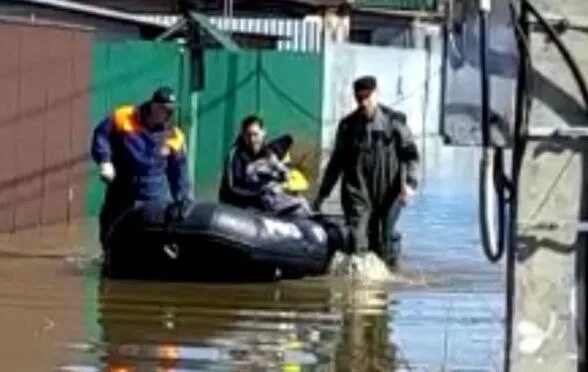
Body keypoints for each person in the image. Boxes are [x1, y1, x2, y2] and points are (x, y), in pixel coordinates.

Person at [312, 76, 419, 266]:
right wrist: (322, 194)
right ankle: (359, 287)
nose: (363, 103)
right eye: (359, 98)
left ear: (376, 94)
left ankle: (386, 282)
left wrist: (410, 185)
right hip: (357, 192)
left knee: (383, 240)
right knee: (357, 238)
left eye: (367, 97)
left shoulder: (394, 122)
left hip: (389, 192)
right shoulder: (347, 126)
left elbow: (411, 154)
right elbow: (336, 163)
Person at [91, 86, 193, 247]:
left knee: (147, 245)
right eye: (166, 110)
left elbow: (179, 173)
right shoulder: (124, 116)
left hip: (152, 198)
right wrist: (105, 160)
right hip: (121, 193)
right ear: (154, 106)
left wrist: (184, 200)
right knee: (111, 239)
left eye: (172, 110)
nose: (169, 114)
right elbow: (102, 134)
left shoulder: (174, 136)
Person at [218, 115, 311, 217]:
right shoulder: (235, 155)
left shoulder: (268, 153)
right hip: (240, 206)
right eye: (248, 135)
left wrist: (283, 175)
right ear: (243, 135)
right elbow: (234, 187)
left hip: (265, 202)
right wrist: (261, 191)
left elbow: (278, 167)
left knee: (302, 204)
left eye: (255, 134)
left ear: (263, 133)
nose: (252, 139)